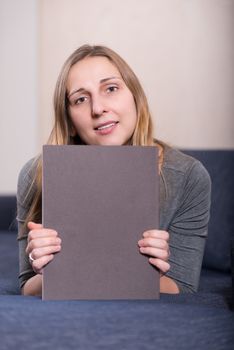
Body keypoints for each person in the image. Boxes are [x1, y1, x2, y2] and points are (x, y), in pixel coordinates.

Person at [17, 44, 211, 296]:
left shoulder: (188, 176)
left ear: (135, 97)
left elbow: (182, 287)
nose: (97, 108)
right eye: (80, 99)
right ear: (70, 122)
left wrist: (150, 274)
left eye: (111, 88)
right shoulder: (36, 174)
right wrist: (47, 271)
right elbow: (27, 286)